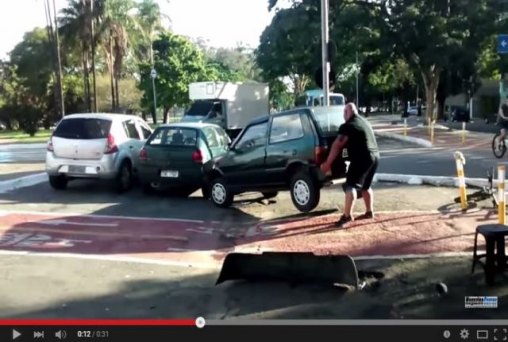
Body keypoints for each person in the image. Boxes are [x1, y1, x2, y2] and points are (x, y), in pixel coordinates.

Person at [320, 102, 380, 227]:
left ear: (347, 112)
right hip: (375, 157)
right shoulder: (364, 122)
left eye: (344, 112)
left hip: (363, 158)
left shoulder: (348, 126)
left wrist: (327, 163)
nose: (343, 115)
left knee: (350, 185)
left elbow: (337, 145)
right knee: (365, 186)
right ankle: (369, 212)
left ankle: (347, 216)